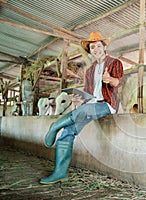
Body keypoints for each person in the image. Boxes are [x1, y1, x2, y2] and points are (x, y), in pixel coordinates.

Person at [40, 31, 124, 184]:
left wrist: (110, 79)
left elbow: (119, 83)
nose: (96, 49)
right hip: (90, 105)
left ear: (104, 47)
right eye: (93, 47)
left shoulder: (114, 63)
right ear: (90, 51)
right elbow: (88, 93)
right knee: (68, 132)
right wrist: (78, 99)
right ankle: (60, 172)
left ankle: (55, 125)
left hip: (107, 105)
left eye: (99, 46)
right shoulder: (90, 70)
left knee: (83, 111)